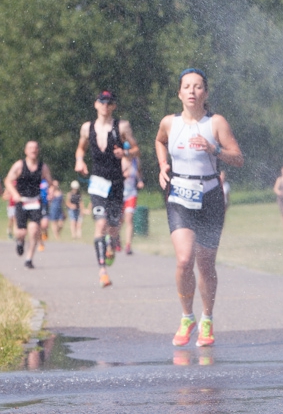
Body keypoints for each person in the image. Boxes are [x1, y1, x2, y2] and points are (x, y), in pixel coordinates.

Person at [155, 68, 243, 347]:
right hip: (179, 195)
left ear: (206, 92)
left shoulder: (215, 123)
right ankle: (186, 317)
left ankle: (207, 319)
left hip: (210, 196)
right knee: (184, 260)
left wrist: (214, 149)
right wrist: (162, 165)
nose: (192, 91)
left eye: (198, 87)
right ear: (179, 93)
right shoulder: (169, 123)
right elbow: (159, 141)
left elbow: (238, 158)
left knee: (205, 263)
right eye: (187, 87)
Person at [75, 90, 140, 288]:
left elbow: (137, 149)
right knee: (100, 224)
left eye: (109, 102)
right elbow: (81, 148)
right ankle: (102, 270)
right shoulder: (87, 128)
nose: (105, 105)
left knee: (113, 226)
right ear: (96, 105)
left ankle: (112, 243)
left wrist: (126, 152)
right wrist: (79, 161)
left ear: (113, 106)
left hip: (117, 182)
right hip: (97, 182)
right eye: (101, 101)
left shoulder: (121, 126)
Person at [4, 141, 54, 269]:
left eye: (35, 148)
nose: (33, 150)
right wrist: (14, 194)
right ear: (26, 151)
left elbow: (50, 182)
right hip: (22, 201)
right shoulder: (19, 165)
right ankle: (20, 242)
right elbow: (8, 181)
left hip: (35, 201)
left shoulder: (43, 167)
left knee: (34, 230)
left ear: (38, 150)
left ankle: (29, 258)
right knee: (21, 232)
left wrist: (51, 192)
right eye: (30, 148)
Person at [120, 155, 144, 255]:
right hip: (120, 194)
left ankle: (128, 245)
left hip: (131, 194)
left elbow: (138, 172)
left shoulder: (135, 160)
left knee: (129, 219)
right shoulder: (121, 160)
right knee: (119, 220)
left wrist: (140, 181)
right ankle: (116, 239)